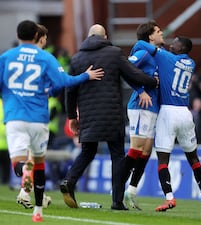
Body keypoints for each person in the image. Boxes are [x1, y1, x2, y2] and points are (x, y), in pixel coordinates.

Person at [0, 20, 104, 222]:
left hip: (15, 118)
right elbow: (63, 82)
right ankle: (38, 211)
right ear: (38, 36)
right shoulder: (46, 57)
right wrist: (85, 76)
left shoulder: (5, 57)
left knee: (18, 163)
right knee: (39, 162)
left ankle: (24, 170)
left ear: (18, 34)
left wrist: (8, 94)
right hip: (39, 119)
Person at [60, 24, 159, 210]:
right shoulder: (114, 53)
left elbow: (70, 89)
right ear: (104, 36)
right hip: (112, 114)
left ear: (89, 36)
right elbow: (133, 74)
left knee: (87, 152)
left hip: (88, 115)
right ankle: (117, 201)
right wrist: (153, 82)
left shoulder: (77, 58)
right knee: (117, 156)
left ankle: (69, 181)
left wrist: (72, 116)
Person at [132, 37, 201, 213]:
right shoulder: (190, 63)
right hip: (185, 113)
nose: (171, 44)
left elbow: (142, 44)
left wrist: (149, 43)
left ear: (182, 47)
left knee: (163, 159)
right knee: (193, 158)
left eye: (175, 42)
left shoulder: (166, 57)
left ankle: (169, 198)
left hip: (167, 113)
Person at [123, 20, 164, 210]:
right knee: (137, 148)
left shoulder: (159, 54)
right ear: (150, 36)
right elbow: (126, 70)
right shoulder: (143, 52)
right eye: (158, 31)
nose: (161, 32)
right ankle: (117, 187)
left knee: (147, 151)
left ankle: (131, 190)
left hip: (153, 107)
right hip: (140, 104)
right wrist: (140, 90)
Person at [15, 24, 53, 210]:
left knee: (31, 157)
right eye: (45, 37)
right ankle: (25, 191)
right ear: (41, 37)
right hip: (36, 115)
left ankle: (30, 191)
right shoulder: (43, 59)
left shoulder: (21, 58)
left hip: (20, 114)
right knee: (34, 158)